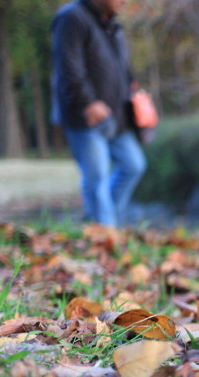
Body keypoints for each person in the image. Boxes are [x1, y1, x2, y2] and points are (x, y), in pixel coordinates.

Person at [52, 0, 147, 228]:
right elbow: (68, 67)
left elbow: (119, 68)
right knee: (97, 177)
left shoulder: (111, 23)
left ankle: (102, 225)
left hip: (117, 116)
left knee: (134, 165)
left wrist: (134, 92)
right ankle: (105, 231)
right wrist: (88, 102)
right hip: (86, 115)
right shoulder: (72, 17)